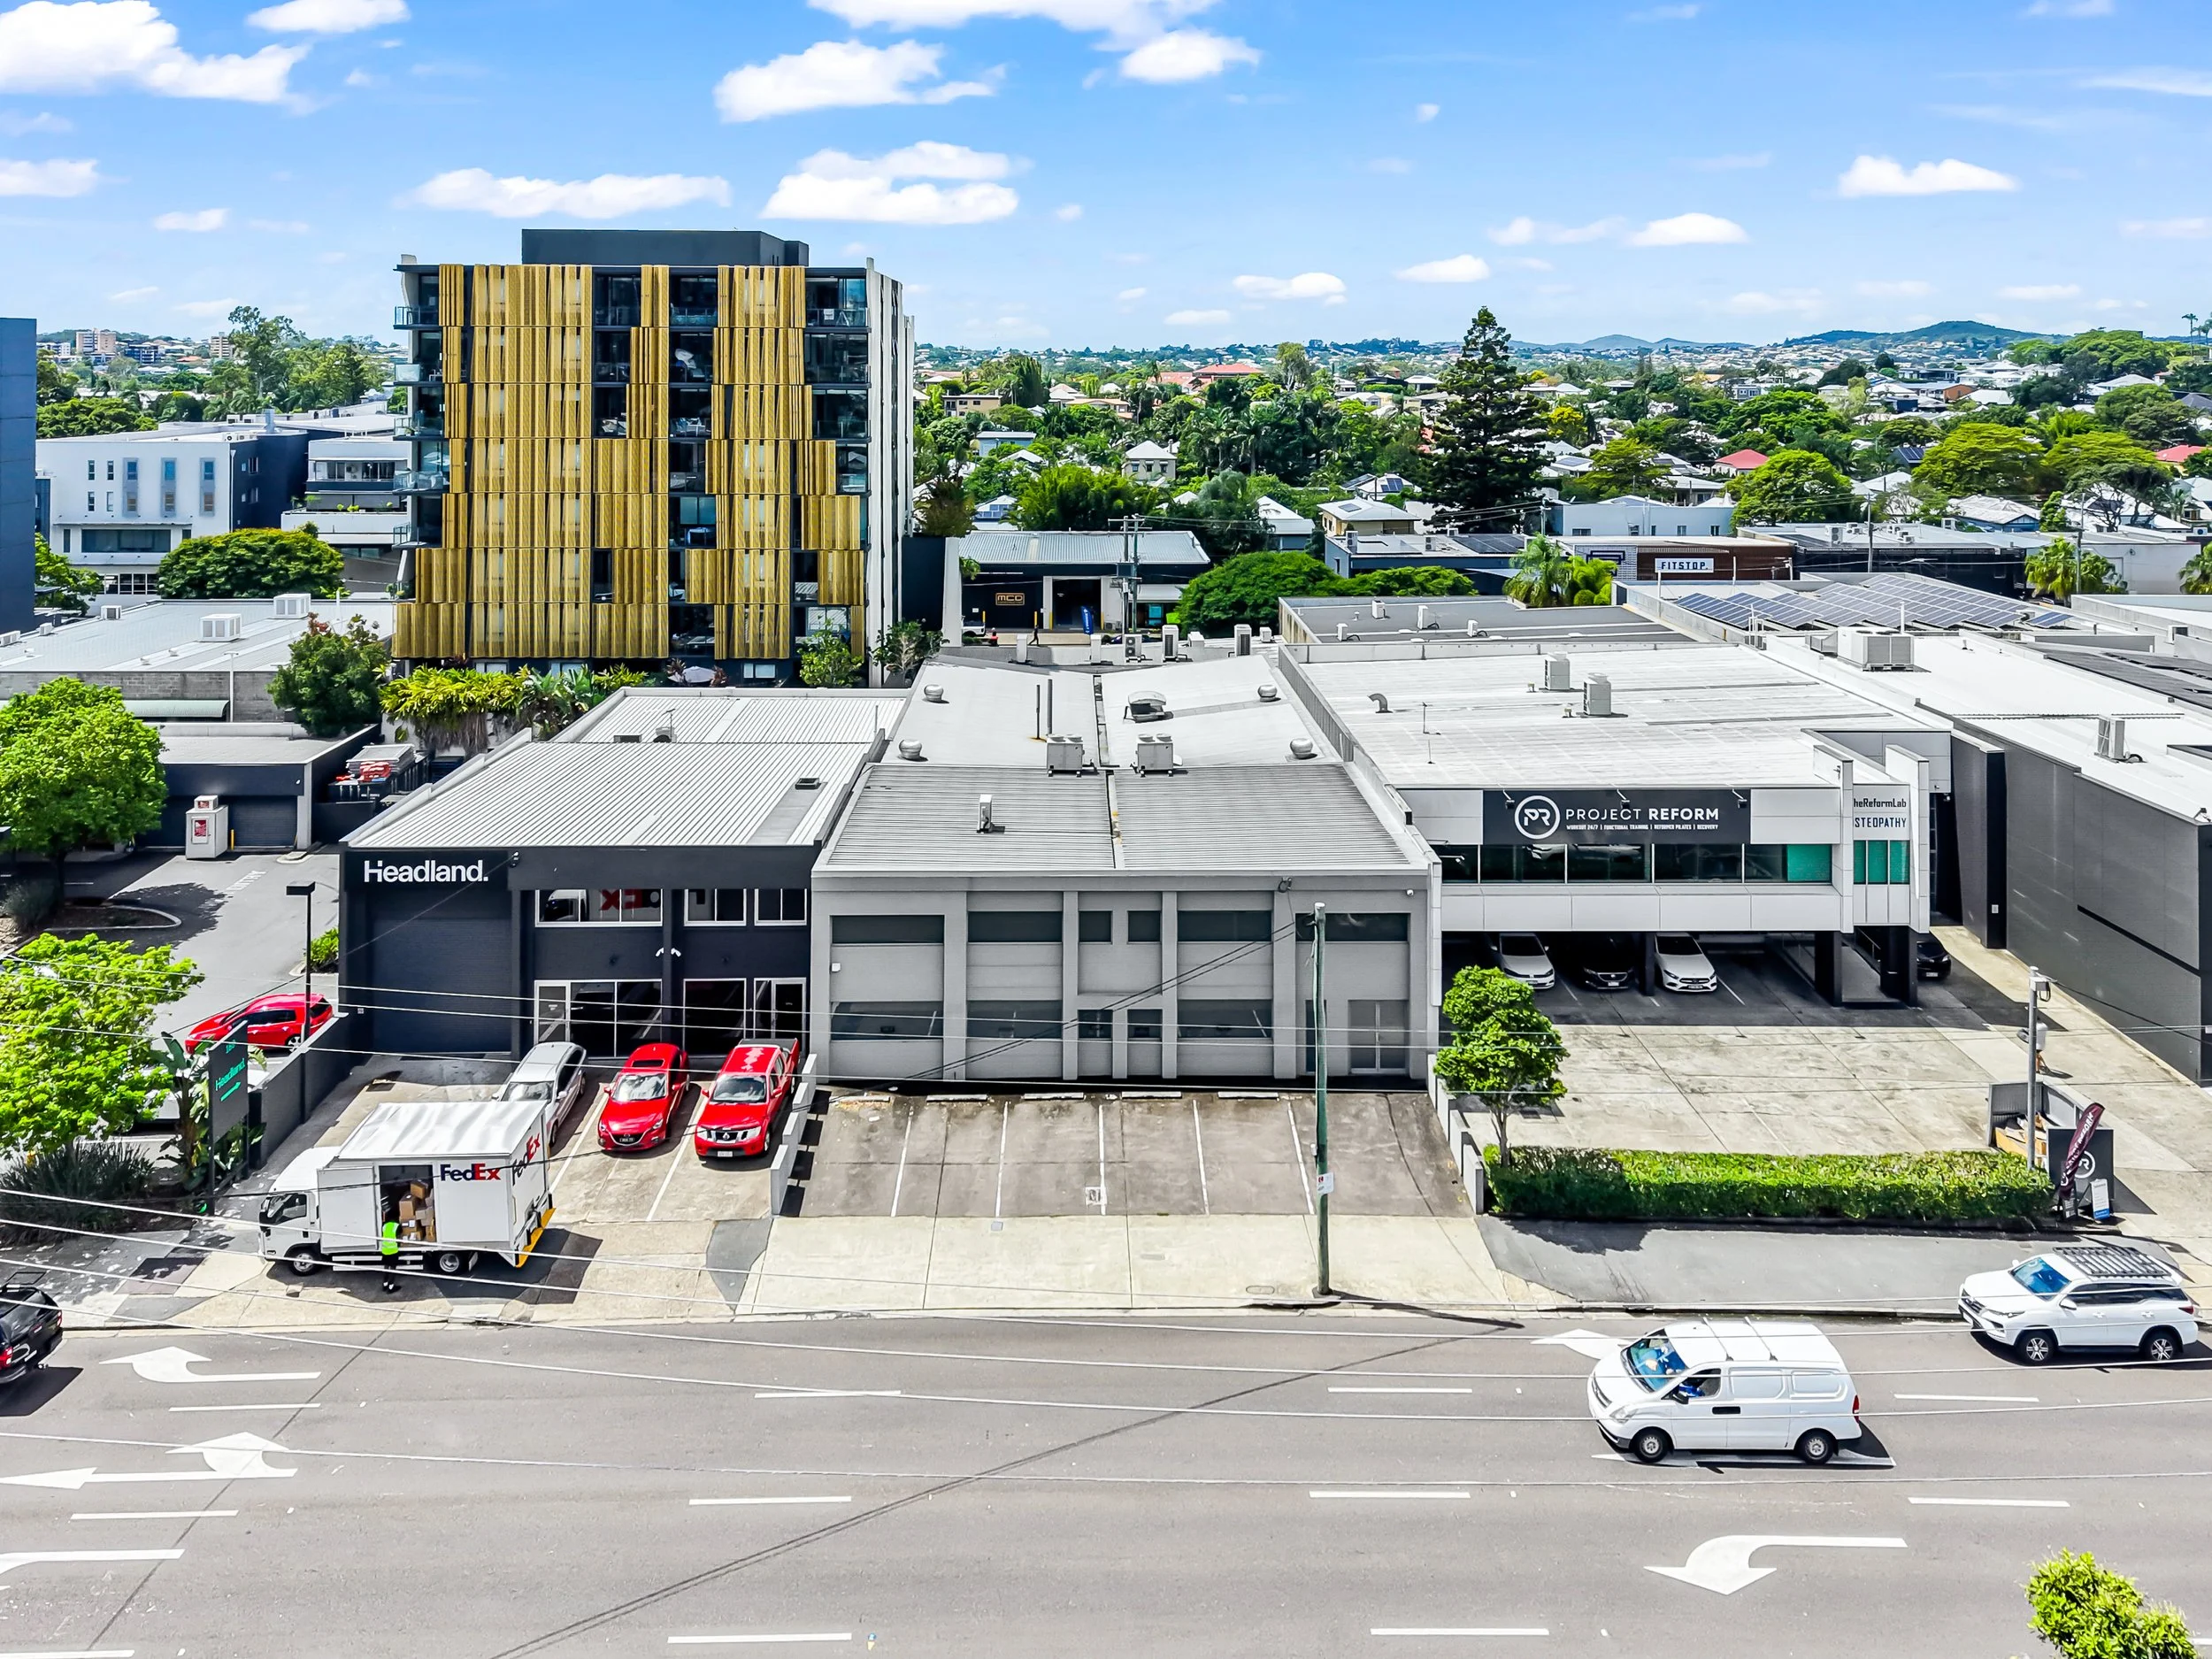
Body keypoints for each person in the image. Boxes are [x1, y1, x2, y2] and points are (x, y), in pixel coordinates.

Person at [380, 1215, 401, 1294]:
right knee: (393, 1269)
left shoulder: (384, 1226)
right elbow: (399, 1236)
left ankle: (384, 1285)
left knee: (386, 1268)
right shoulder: (397, 1226)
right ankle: (391, 1287)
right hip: (393, 1250)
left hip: (385, 1250)